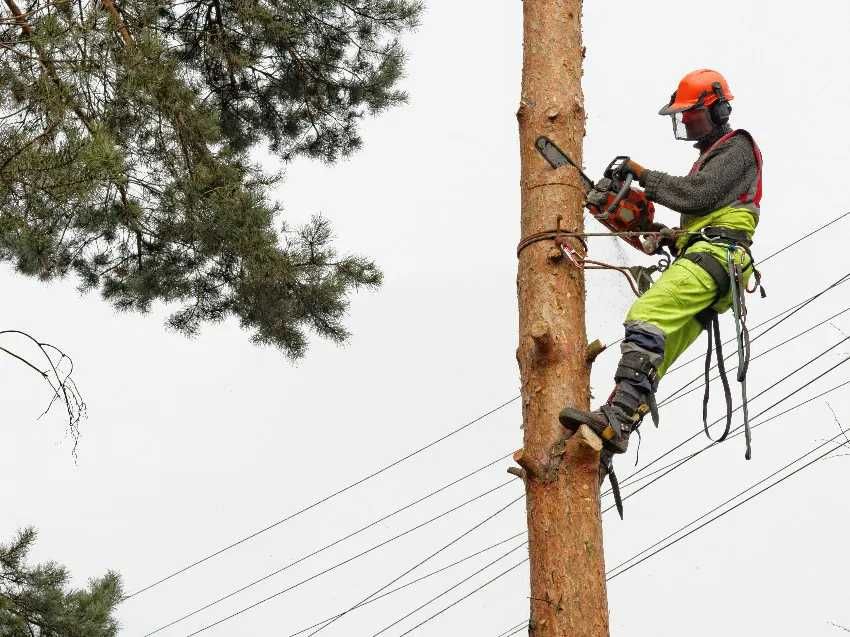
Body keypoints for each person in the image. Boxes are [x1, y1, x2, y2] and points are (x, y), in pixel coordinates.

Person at [559, 69, 764, 488]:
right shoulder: (708, 158)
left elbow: (696, 195)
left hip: (716, 257)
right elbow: (699, 211)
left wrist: (644, 176)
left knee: (646, 314)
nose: (685, 121)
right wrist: (659, 232)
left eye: (692, 113)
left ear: (719, 108)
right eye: (682, 115)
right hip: (707, 258)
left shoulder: (738, 147)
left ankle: (614, 422)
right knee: (660, 351)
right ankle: (613, 428)